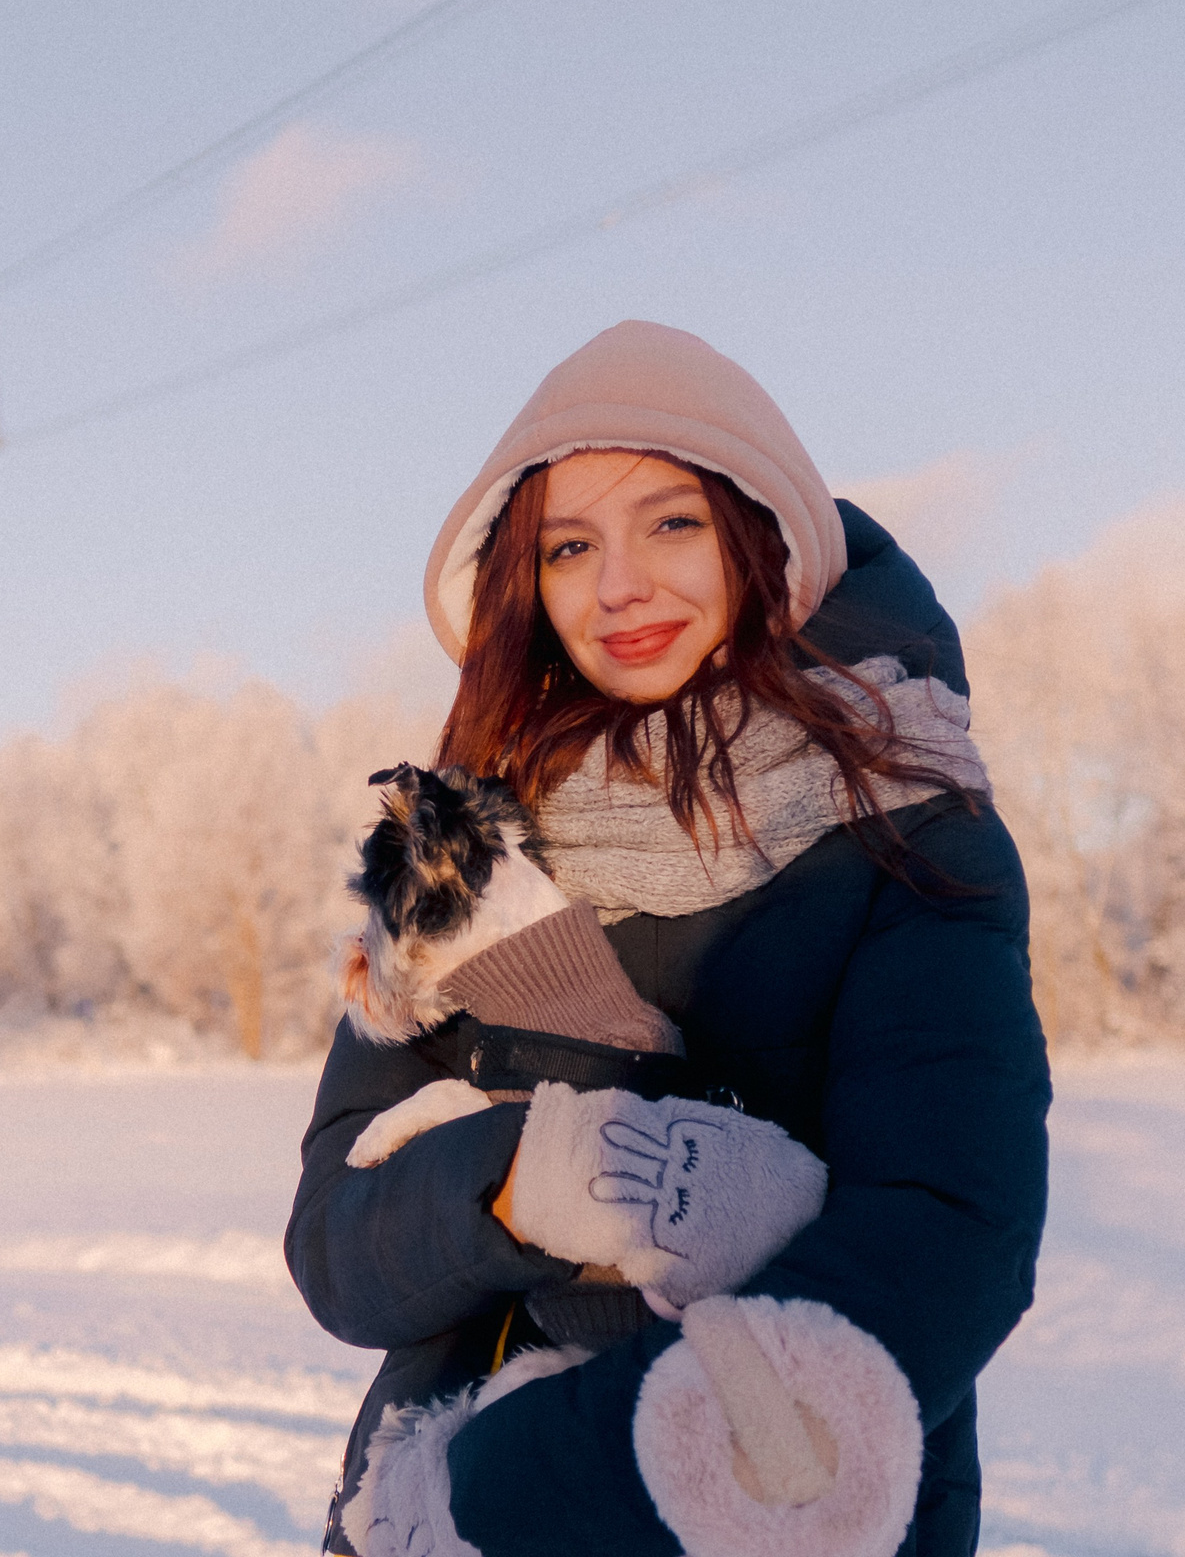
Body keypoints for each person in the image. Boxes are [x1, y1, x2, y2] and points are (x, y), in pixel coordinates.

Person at [285, 321, 1051, 1557]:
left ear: (764, 536)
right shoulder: (463, 859)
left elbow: (947, 1230)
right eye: (568, 546)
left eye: (672, 523)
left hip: (714, 1512)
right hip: (419, 1510)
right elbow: (336, 1245)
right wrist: (529, 1180)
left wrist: (524, 1481)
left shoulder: (904, 831)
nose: (619, 584)